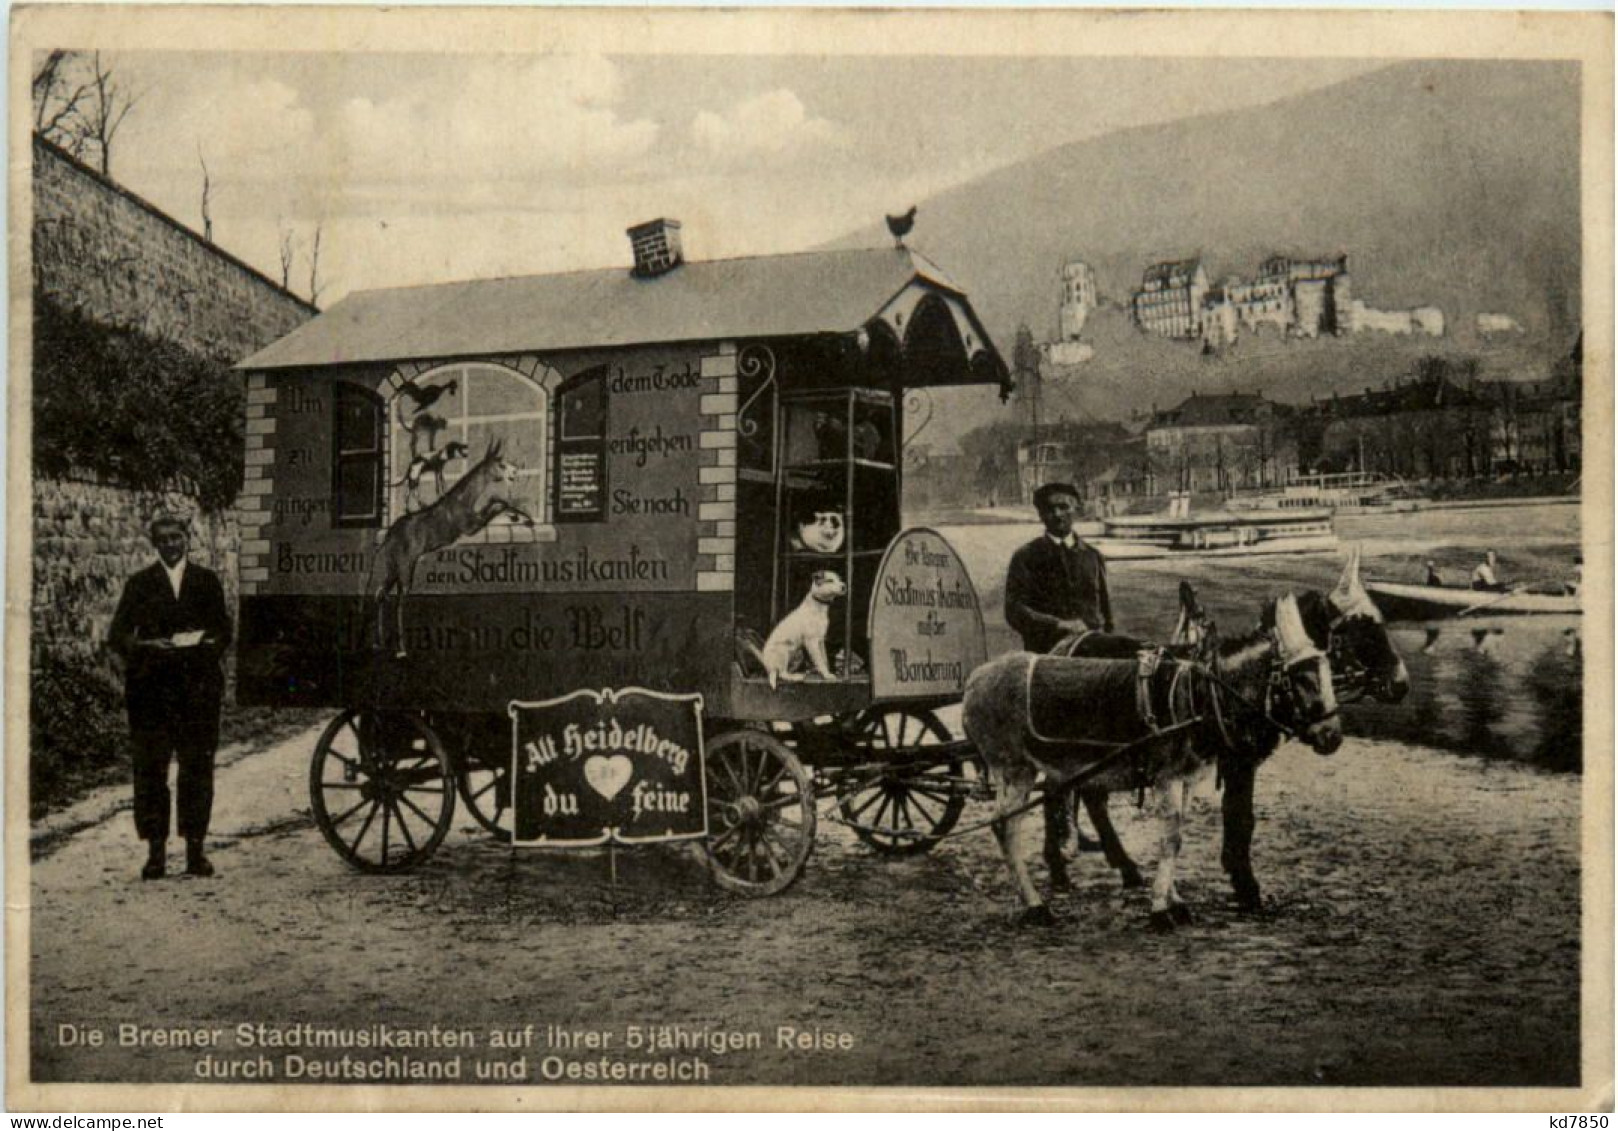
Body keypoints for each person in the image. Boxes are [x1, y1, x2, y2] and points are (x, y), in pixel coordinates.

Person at [108, 512, 233, 880]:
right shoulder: (140, 584)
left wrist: (206, 645)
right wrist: (147, 645)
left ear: (187, 539)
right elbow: (118, 635)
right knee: (151, 770)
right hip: (151, 692)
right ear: (155, 544)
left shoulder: (206, 582)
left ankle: (196, 850)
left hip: (197, 691)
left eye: (176, 537)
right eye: (163, 539)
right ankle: (156, 852)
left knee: (197, 768)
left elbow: (224, 631)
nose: (171, 544)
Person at [1005, 482, 1114, 655]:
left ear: (1076, 510)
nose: (1057, 514)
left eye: (1063, 507)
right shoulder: (1026, 557)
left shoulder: (1093, 557)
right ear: (1041, 515)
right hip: (1046, 655)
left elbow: (1106, 614)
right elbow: (1014, 610)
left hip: (1092, 656)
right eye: (1049, 509)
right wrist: (1057, 625)